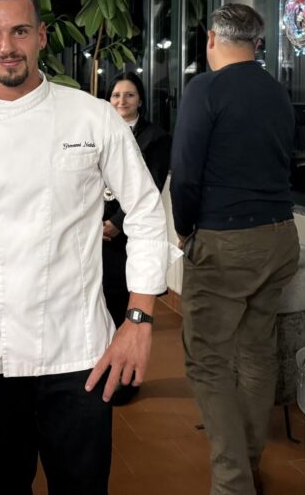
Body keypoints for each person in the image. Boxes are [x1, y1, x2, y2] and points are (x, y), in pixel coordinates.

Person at [0, 0, 172, 494]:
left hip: (77, 349)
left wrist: (139, 319)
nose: (6, 46)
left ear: (40, 36)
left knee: (81, 487)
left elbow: (146, 213)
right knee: (3, 485)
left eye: (19, 31)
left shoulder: (93, 116)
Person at [169, 3, 300, 495]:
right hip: (280, 235)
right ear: (258, 42)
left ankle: (232, 483)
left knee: (207, 359)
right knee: (257, 351)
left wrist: (185, 230)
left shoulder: (205, 89)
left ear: (210, 40)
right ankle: (249, 460)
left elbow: (186, 171)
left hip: (228, 240)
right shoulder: (277, 92)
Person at [100, 71, 172, 406]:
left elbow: (151, 188)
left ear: (140, 100)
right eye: (116, 95)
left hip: (128, 238)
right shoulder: (100, 130)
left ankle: (125, 382)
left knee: (123, 309)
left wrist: (115, 223)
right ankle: (102, 370)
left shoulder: (155, 137)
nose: (122, 101)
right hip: (96, 235)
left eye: (129, 95)